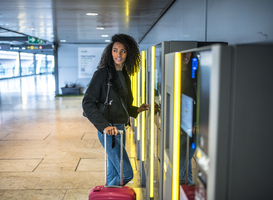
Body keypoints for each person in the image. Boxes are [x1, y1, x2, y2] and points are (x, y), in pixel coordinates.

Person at [82, 33, 149, 186]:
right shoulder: (103, 74)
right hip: (109, 131)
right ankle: (106, 196)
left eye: (123, 51)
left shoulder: (124, 75)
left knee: (113, 173)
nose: (118, 54)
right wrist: (105, 126)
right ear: (110, 52)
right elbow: (87, 103)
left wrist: (136, 110)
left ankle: (108, 194)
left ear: (128, 54)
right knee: (126, 173)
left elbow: (121, 102)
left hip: (120, 129)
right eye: (115, 50)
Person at [179, 52, 197, 185]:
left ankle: (184, 186)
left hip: (193, 125)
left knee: (183, 158)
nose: (186, 55)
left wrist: (199, 121)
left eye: (188, 52)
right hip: (178, 123)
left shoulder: (197, 74)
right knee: (185, 159)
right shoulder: (173, 72)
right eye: (183, 52)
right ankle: (188, 186)